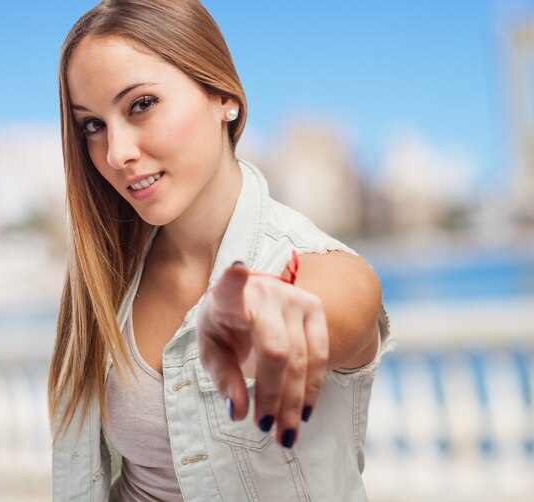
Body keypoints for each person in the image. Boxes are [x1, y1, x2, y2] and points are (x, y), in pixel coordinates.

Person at [48, 0, 390, 500]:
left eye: (141, 104)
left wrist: (274, 318)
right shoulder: (103, 276)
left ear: (222, 95)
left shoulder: (311, 264)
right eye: (92, 126)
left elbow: (344, 305)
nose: (116, 152)